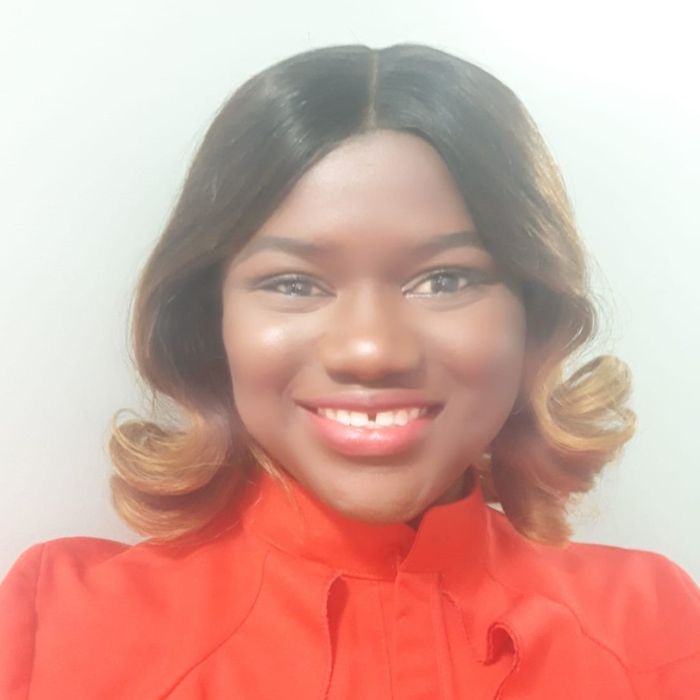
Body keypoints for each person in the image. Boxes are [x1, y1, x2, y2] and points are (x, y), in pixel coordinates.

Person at [1, 43, 698, 699]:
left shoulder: (656, 626)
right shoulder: (55, 625)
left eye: (446, 279)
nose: (370, 350)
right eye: (294, 283)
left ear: (534, 317)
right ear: (211, 323)